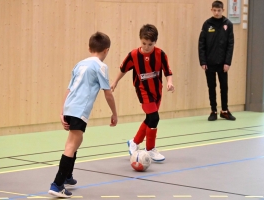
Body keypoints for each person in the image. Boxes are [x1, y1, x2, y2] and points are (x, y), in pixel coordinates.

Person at [48, 32, 118, 198]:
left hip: (69, 107)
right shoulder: (101, 66)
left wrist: (62, 111)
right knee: (72, 145)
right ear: (106, 50)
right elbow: (108, 93)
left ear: (89, 48)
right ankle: (57, 184)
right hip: (80, 110)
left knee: (74, 141)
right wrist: (114, 113)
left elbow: (69, 89)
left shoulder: (79, 64)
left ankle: (67, 175)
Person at [110, 24, 174, 162]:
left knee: (150, 118)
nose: (146, 47)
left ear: (155, 42)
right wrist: (115, 82)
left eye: (150, 44)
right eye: (144, 43)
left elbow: (168, 71)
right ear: (140, 40)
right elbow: (123, 69)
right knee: (154, 118)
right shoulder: (133, 55)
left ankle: (134, 142)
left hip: (157, 91)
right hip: (143, 91)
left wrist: (170, 82)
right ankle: (150, 149)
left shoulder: (160, 54)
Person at [198, 0, 236, 121]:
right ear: (211, 10)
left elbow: (230, 44)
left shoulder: (228, 24)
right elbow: (201, 44)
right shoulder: (207, 24)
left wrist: (227, 62)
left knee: (224, 87)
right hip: (209, 62)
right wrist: (203, 61)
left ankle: (224, 110)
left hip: (223, 62)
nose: (216, 12)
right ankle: (213, 110)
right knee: (211, 86)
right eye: (214, 10)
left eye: (219, 10)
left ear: (223, 11)